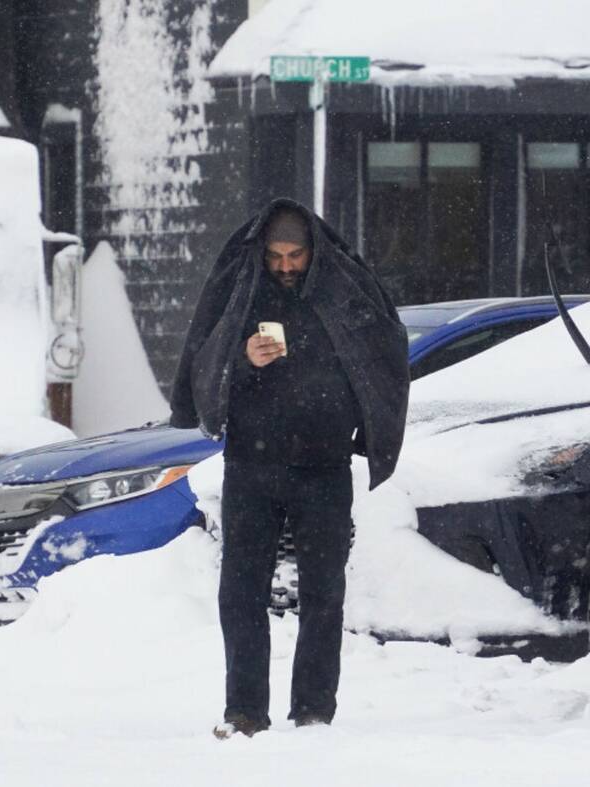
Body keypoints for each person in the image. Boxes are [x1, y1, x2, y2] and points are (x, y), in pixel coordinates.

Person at [169, 199, 409, 738]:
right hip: (251, 465)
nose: (285, 265)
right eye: (275, 255)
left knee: (324, 594)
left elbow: (385, 348)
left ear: (312, 251)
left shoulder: (345, 287)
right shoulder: (242, 291)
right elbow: (206, 358)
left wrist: (367, 433)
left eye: (295, 255)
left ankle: (314, 712)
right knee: (241, 592)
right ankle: (245, 711)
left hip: (323, 466)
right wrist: (243, 361)